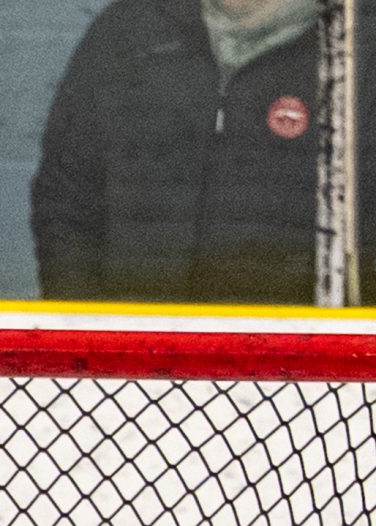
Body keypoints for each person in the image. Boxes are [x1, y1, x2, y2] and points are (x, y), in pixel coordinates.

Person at [33, 0, 375, 301]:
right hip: (135, 360)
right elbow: (65, 196)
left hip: (294, 365)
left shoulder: (360, 49)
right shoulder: (128, 32)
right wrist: (91, 335)